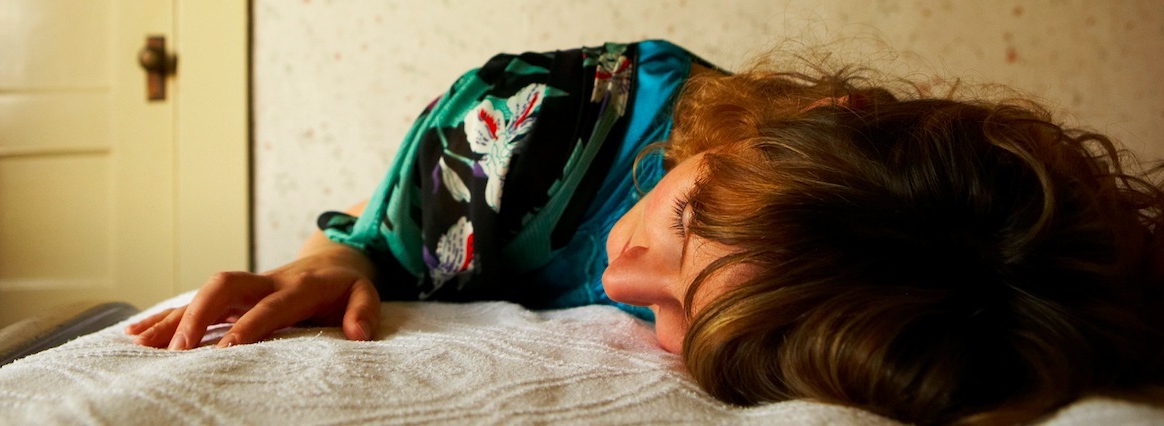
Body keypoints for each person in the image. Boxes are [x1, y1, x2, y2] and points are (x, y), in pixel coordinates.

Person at [125, 40, 1164, 424]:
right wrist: (330, 258)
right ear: (800, 127)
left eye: (682, 314)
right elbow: (382, 237)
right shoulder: (541, 130)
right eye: (686, 216)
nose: (623, 286)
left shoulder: (932, 299)